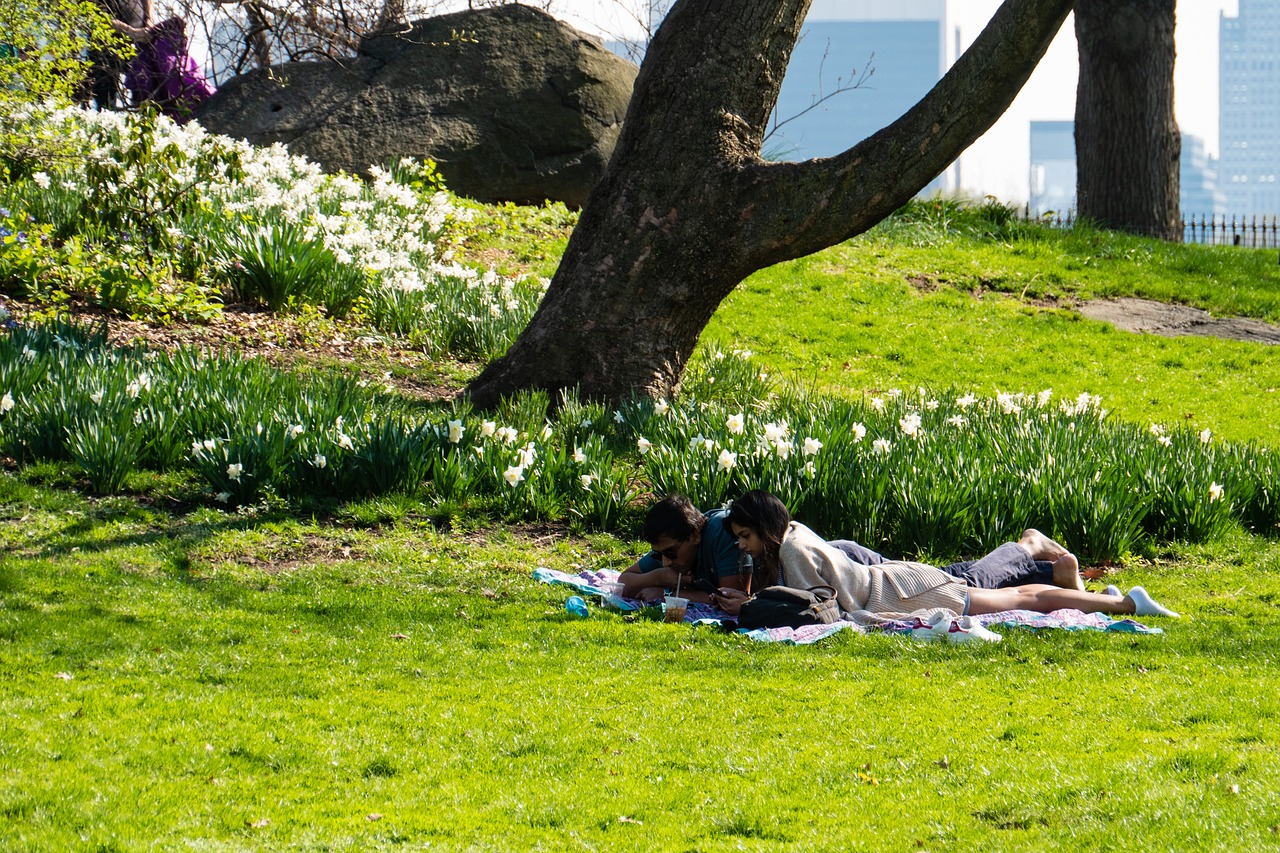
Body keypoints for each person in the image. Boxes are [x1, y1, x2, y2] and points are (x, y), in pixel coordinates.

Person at [712, 490, 1179, 623]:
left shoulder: (792, 549)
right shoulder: (794, 536)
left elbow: (823, 610)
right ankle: (1107, 598)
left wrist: (750, 608)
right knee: (1021, 595)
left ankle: (1125, 603)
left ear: (766, 529)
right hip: (897, 586)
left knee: (1027, 599)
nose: (741, 545)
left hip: (906, 593)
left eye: (746, 535)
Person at [616, 494, 749, 604]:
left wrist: (669, 594)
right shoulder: (668, 545)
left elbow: (731, 598)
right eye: (658, 555)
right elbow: (623, 584)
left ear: (695, 535)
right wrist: (656, 578)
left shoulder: (722, 531)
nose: (665, 563)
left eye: (671, 553)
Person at [112, 15, 213, 122]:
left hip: (150, 48)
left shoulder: (166, 51)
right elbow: (102, 19)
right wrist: (134, 32)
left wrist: (148, 27)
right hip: (122, 50)